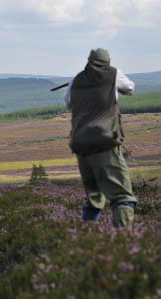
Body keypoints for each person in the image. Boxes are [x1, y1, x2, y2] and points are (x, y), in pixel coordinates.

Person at [63, 48, 137, 229]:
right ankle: (124, 242)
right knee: (122, 195)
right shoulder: (113, 74)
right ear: (108, 62)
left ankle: (90, 241)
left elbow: (67, 102)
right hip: (104, 142)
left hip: (81, 145)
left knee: (93, 196)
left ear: (89, 61)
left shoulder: (76, 80)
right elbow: (129, 88)